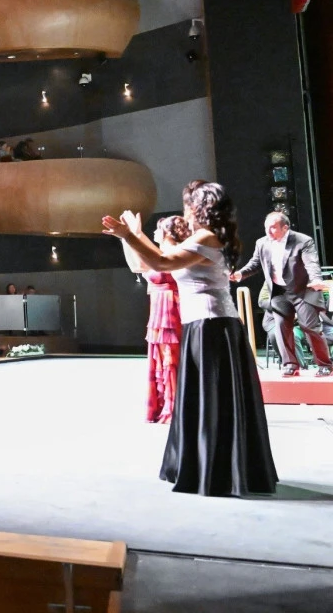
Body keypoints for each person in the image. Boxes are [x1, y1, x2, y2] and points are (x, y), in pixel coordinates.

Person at [102, 181, 277, 497]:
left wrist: (129, 234)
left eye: (187, 207)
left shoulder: (206, 238)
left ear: (200, 210)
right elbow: (150, 262)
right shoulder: (204, 239)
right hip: (205, 326)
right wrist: (134, 235)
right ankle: (207, 467)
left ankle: (215, 471)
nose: (184, 213)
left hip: (213, 326)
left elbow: (163, 263)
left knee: (210, 400)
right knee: (205, 400)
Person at [230, 212, 332, 377]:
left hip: (303, 291)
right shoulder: (262, 243)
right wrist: (240, 274)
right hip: (279, 292)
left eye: (273, 228)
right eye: (266, 227)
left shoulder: (302, 241)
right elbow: (255, 263)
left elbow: (311, 262)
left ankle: (325, 365)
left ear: (285, 228)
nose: (268, 231)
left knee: (310, 327)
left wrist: (316, 279)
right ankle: (291, 365)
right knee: (281, 328)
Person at [120, 216, 188, 423]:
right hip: (159, 309)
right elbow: (136, 265)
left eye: (158, 229)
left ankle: (176, 406)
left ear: (167, 232)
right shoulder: (160, 253)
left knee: (171, 358)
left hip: (171, 309)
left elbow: (152, 259)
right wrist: (127, 236)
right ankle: (164, 404)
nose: (155, 233)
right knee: (161, 357)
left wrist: (134, 235)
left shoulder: (175, 254)